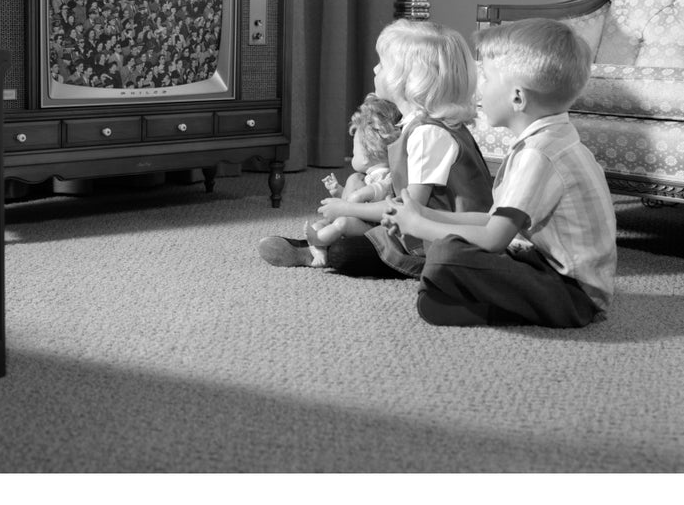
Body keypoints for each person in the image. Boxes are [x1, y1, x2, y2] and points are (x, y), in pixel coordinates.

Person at [381, 17, 616, 328]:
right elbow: (491, 221)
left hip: (573, 296)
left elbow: (492, 239)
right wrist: (424, 213)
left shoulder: (539, 155)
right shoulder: (545, 140)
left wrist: (419, 225)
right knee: (446, 251)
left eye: (488, 79)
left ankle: (492, 311)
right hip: (543, 265)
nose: (479, 88)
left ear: (517, 97)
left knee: (448, 255)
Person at [258, 19, 493, 276]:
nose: (374, 68)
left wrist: (347, 208)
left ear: (406, 78)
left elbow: (410, 209)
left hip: (446, 241)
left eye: (382, 64)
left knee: (346, 252)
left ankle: (320, 250)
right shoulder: (422, 125)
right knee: (351, 225)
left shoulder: (429, 134)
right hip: (426, 227)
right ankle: (317, 245)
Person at [301, 94, 401, 266]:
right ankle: (319, 253)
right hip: (359, 219)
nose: (352, 154)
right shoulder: (365, 177)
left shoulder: (387, 176)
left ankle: (318, 241)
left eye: (354, 152)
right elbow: (351, 200)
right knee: (321, 224)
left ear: (366, 156)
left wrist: (355, 198)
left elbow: (375, 192)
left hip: (372, 228)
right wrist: (339, 191)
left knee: (342, 223)